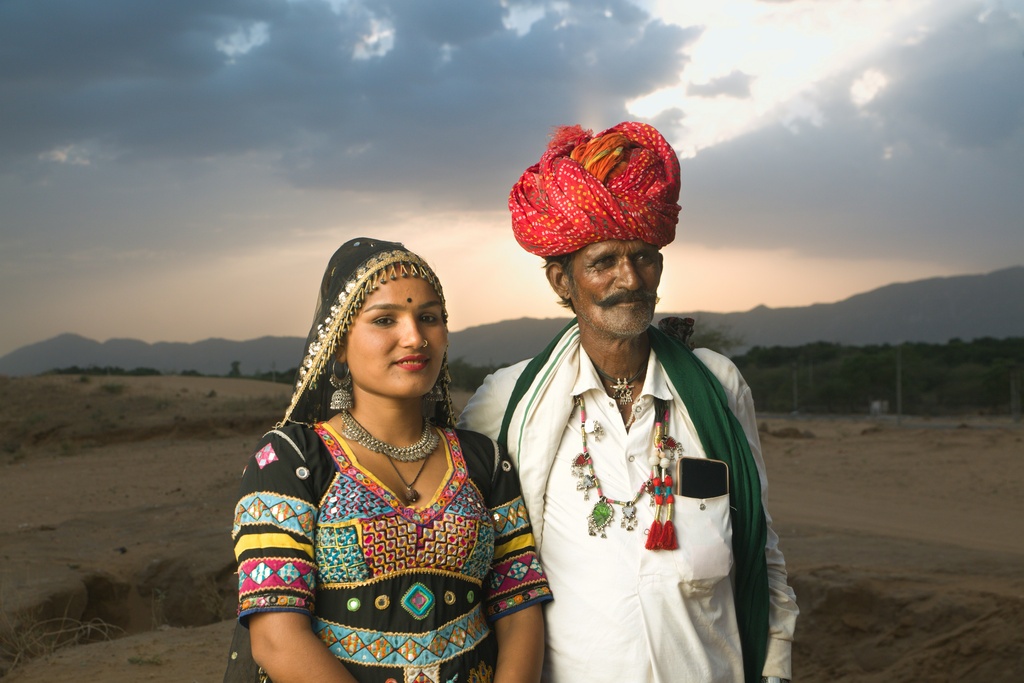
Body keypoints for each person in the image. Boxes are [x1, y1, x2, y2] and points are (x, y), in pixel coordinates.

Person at [458, 123, 799, 683]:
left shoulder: (716, 386)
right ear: (560, 281)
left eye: (644, 258)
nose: (629, 278)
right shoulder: (505, 403)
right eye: (603, 262)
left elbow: (761, 545)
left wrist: (776, 668)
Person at [229, 238, 551, 683]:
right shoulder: (292, 461)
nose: (415, 337)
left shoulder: (485, 462)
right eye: (385, 319)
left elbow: (519, 610)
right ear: (338, 345)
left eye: (429, 318)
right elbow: (277, 639)